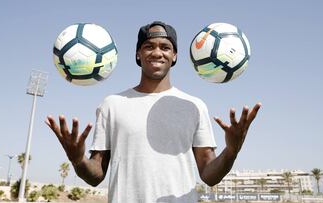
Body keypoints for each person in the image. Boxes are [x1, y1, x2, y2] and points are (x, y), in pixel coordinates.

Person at [46, 21, 261, 203]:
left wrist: (232, 150)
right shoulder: (112, 104)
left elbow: (209, 175)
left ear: (174, 56)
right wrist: (77, 160)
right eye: (148, 46)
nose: (157, 52)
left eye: (165, 47)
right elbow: (96, 175)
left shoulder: (194, 105)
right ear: (138, 54)